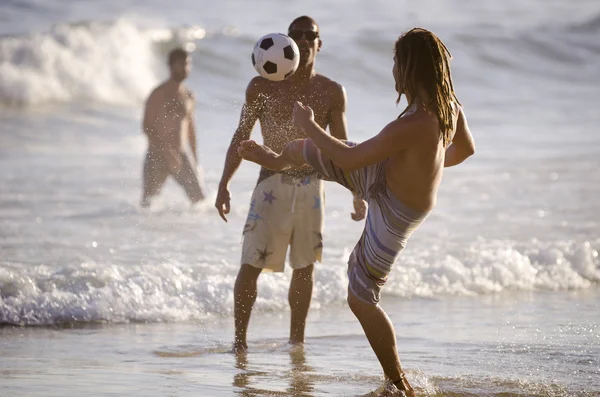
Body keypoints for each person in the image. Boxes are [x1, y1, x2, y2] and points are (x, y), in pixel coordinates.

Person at [237, 27, 475, 396]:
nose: (393, 70)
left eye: (397, 63)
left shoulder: (414, 123)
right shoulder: (448, 108)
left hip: (396, 211)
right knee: (304, 148)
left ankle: (399, 384)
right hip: (385, 176)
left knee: (361, 297)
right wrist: (418, 165)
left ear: (410, 68)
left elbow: (347, 157)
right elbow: (463, 151)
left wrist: (310, 124)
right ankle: (276, 159)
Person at [215, 16, 366, 352]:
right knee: (250, 264)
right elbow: (242, 135)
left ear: (319, 43)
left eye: (310, 35)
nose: (303, 40)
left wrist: (358, 192)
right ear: (287, 41)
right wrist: (224, 183)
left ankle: (296, 343)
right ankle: (239, 343)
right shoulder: (262, 86)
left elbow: (342, 148)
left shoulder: (331, 91)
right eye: (296, 35)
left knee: (304, 267)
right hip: (271, 184)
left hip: (313, 186)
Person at [141, 47, 205, 208]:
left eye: (187, 64)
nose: (185, 68)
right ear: (170, 66)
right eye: (181, 64)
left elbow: (191, 130)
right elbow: (147, 126)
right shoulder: (158, 94)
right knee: (147, 205)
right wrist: (165, 150)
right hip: (157, 154)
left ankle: (197, 231)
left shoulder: (189, 96)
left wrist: (196, 160)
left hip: (181, 155)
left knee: (199, 201)